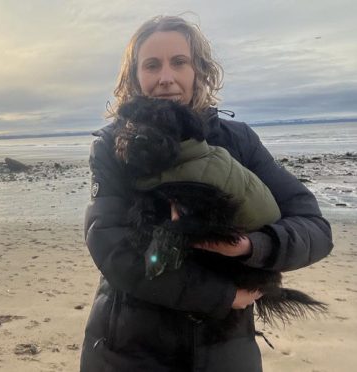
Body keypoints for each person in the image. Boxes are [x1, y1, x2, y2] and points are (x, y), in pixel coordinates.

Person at [80, 15, 333, 372]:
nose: (166, 77)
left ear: (198, 70)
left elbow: (315, 228)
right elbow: (109, 246)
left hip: (224, 350)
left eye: (179, 62)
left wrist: (250, 246)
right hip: (129, 349)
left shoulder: (237, 141)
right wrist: (222, 296)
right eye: (152, 65)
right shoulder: (115, 146)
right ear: (135, 76)